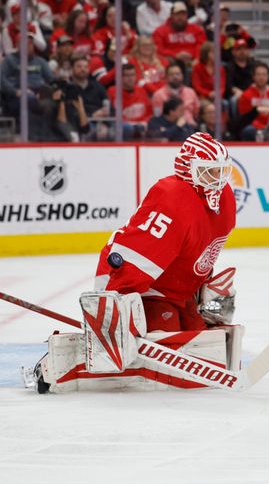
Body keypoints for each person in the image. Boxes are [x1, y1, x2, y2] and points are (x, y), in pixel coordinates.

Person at [30, 132, 238, 393]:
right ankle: (60, 364)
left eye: (222, 171)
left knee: (204, 340)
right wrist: (113, 313)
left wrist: (202, 286)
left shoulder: (223, 200)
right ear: (188, 169)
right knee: (163, 347)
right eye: (209, 172)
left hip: (179, 290)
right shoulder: (174, 197)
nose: (218, 180)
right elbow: (138, 255)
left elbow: (198, 251)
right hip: (145, 291)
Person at [237, 61, 269, 141]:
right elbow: (243, 118)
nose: (261, 77)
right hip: (253, 128)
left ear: (268, 77)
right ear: (253, 77)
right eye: (258, 75)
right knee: (248, 131)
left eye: (264, 75)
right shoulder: (246, 95)